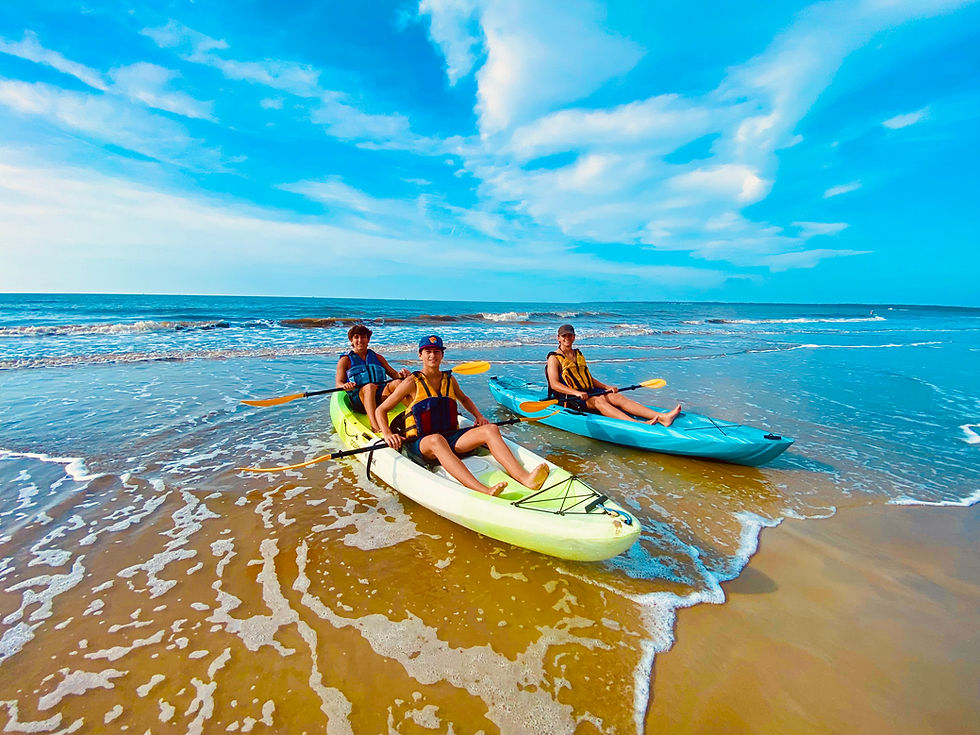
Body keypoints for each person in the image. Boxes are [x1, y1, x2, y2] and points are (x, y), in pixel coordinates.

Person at [375, 334, 550, 497]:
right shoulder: (411, 383)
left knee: (490, 429)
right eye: (428, 352)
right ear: (420, 355)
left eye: (437, 352)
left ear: (442, 356)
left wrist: (479, 416)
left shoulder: (449, 380)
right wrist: (387, 434)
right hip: (423, 443)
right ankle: (482, 489)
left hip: (451, 438)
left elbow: (464, 399)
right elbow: (380, 410)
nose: (432, 356)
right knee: (436, 440)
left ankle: (525, 478)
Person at [546, 324, 681, 426]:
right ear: (558, 338)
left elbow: (588, 378)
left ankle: (662, 417)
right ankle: (639, 425)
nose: (567, 338)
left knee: (616, 397)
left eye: (570, 335)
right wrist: (575, 393)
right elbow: (554, 384)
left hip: (588, 392)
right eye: (564, 336)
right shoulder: (554, 358)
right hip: (570, 398)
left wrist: (606, 387)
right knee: (599, 401)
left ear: (574, 337)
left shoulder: (578, 354)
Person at [335, 324, 410, 432]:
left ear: (368, 339)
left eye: (363, 337)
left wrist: (402, 374)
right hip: (360, 402)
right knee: (370, 387)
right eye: (356, 337)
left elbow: (395, 375)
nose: (360, 340)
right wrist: (345, 385)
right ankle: (375, 427)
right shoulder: (345, 360)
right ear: (351, 340)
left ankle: (415, 413)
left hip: (380, 400)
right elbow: (338, 383)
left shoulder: (377, 357)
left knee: (397, 383)